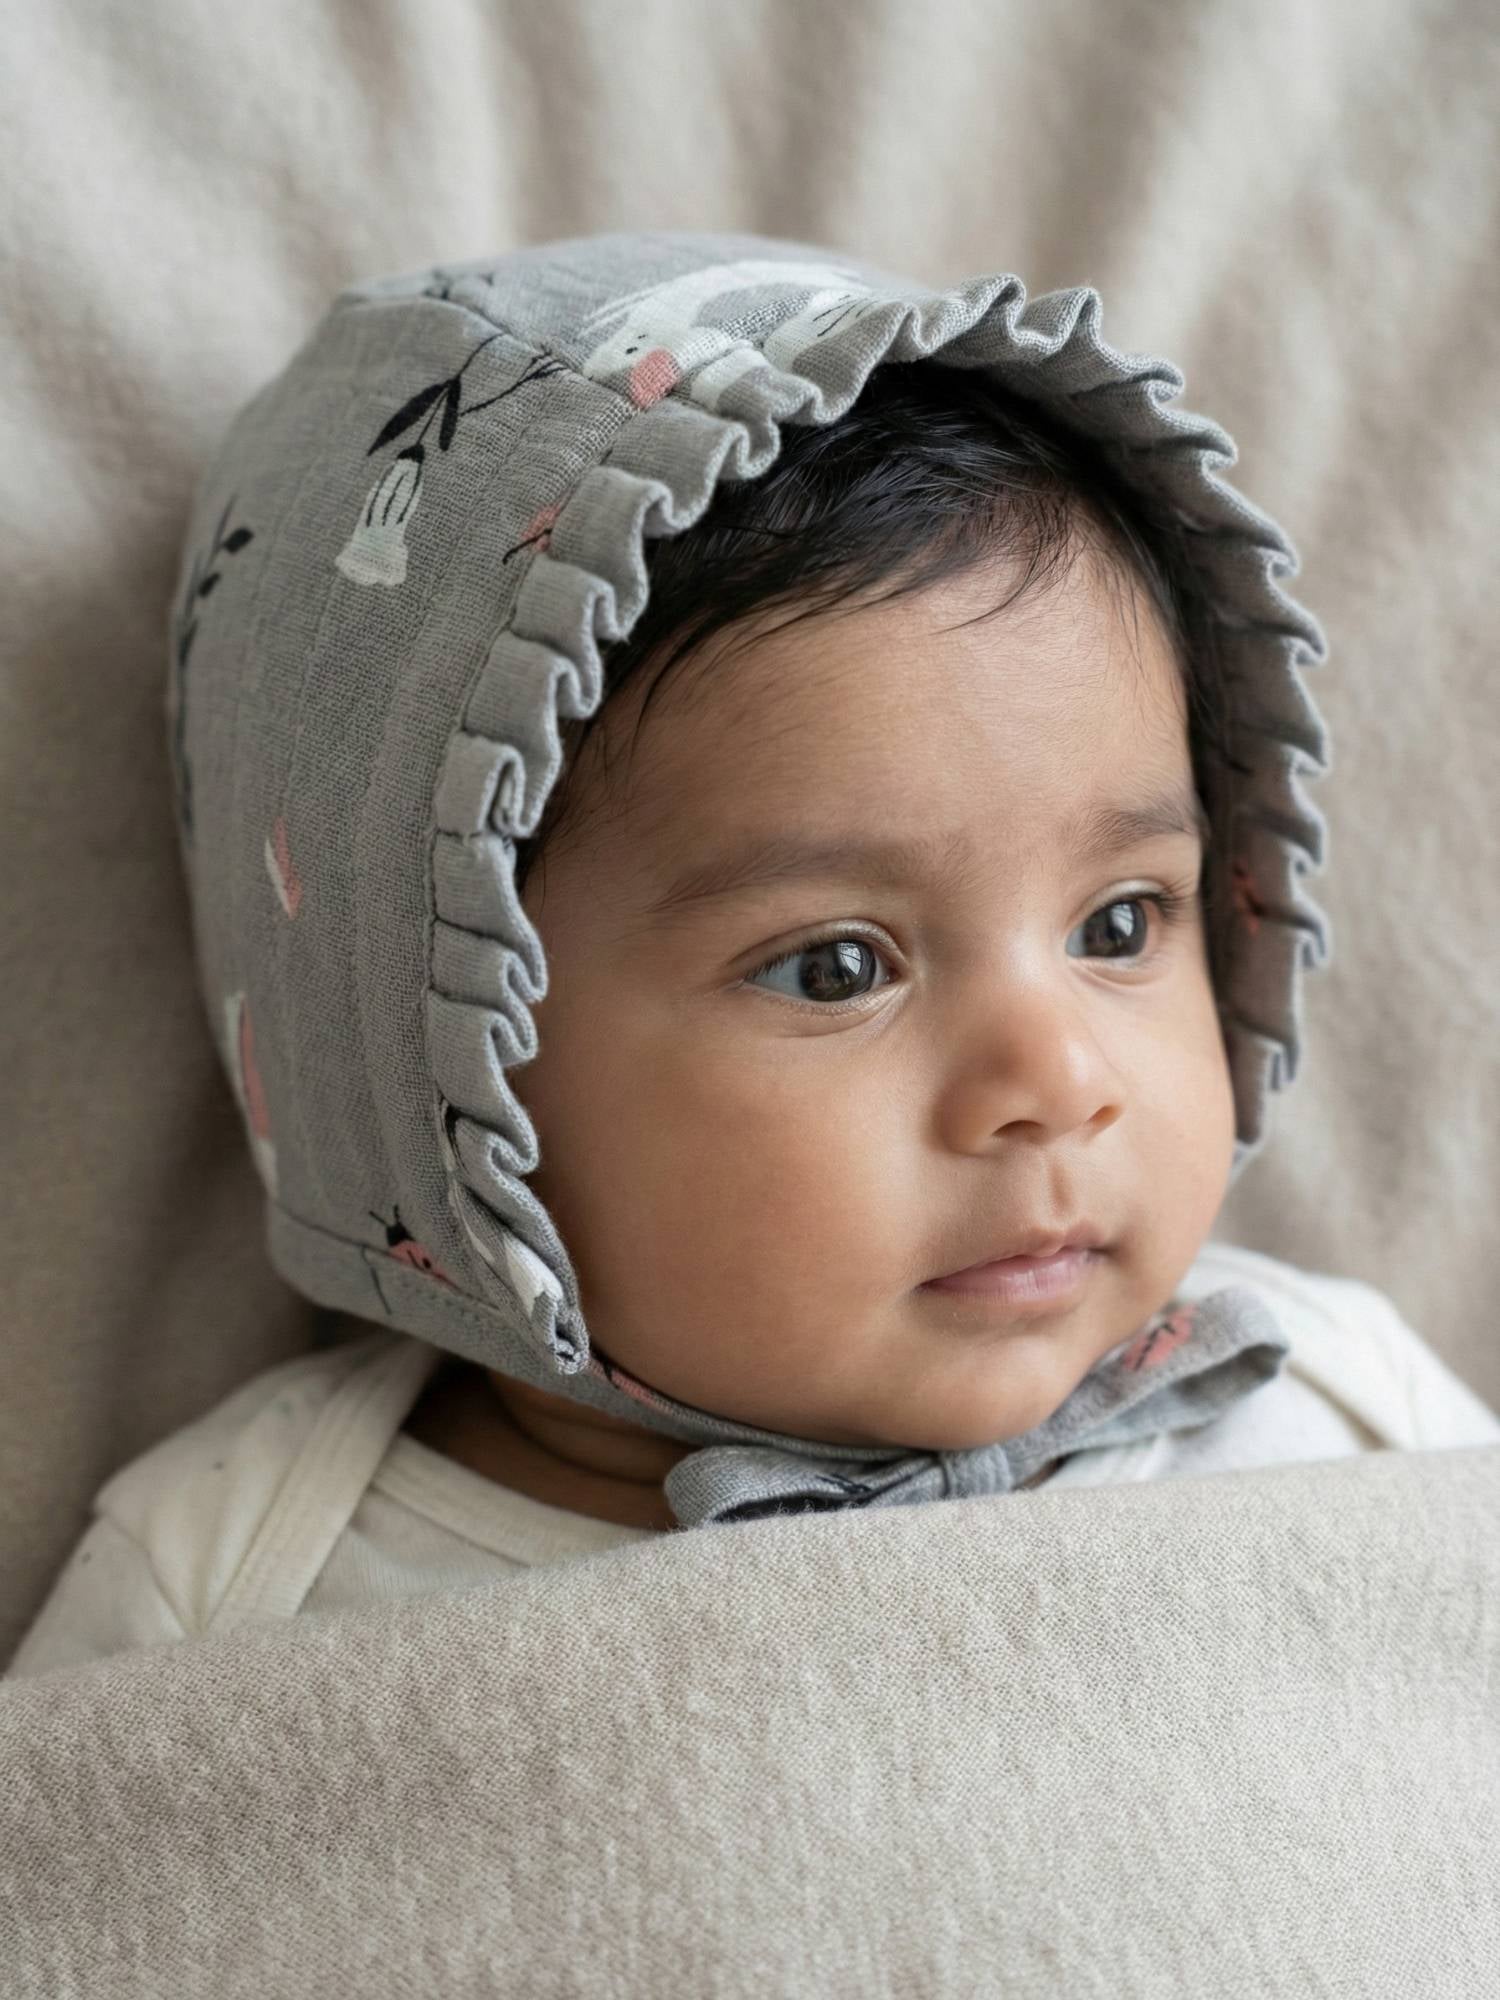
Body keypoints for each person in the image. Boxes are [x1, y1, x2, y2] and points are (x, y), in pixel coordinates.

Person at [10, 232, 1497, 1679]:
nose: (1057, 1080)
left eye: (1120, 925)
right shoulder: (236, 1577)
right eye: (836, 968)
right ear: (433, 1049)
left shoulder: (1348, 1408)